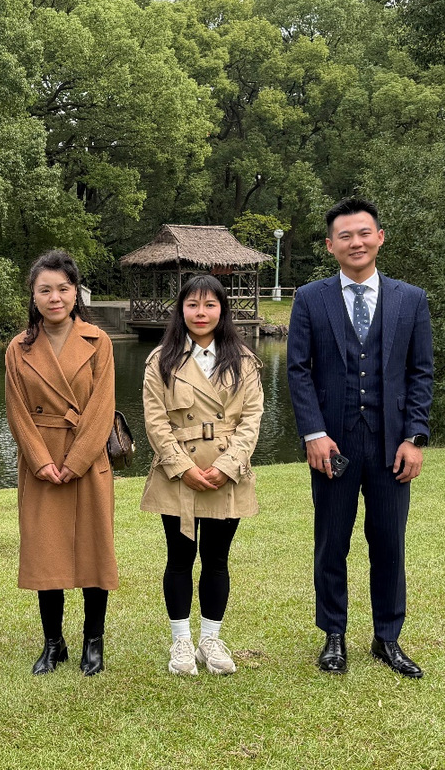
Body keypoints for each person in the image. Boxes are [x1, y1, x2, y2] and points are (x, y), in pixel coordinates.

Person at [287, 197, 433, 678]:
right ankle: (333, 635)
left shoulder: (411, 299)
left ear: (380, 238)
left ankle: (387, 638)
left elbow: (420, 373)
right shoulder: (310, 298)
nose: (356, 242)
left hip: (392, 446)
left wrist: (414, 437)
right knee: (332, 542)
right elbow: (298, 371)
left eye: (364, 233)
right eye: (345, 235)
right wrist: (313, 433)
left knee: (389, 543)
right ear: (330, 245)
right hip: (333, 444)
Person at [140, 275, 263, 677]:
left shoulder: (243, 360)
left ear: (222, 310)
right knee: (179, 559)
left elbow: (252, 418)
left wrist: (227, 467)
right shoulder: (161, 360)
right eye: (192, 304)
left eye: (210, 305)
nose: (201, 313)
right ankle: (181, 641)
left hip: (228, 471)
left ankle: (210, 639)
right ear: (181, 309)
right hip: (177, 473)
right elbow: (155, 421)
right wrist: (183, 467)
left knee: (216, 559)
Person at [5, 250, 118, 677]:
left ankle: (93, 641)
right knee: (45, 553)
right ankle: (53, 643)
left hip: (87, 461)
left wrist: (77, 460)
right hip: (41, 463)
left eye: (63, 289)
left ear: (76, 293)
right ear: (33, 296)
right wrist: (40, 461)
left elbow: (103, 407)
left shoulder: (99, 341)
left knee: (94, 552)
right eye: (45, 290)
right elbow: (16, 411)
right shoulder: (18, 347)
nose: (55, 298)